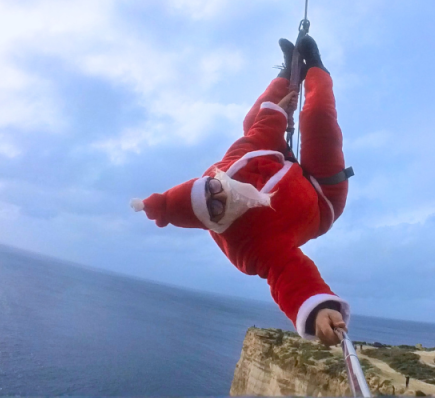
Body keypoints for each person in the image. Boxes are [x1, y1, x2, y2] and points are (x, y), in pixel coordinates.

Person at [130, 36, 351, 346]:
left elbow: (259, 133)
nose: (220, 196)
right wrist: (316, 309)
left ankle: (287, 72)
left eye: (212, 189)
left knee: (253, 119)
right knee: (316, 118)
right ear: (214, 222)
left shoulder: (228, 167)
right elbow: (286, 274)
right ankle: (316, 68)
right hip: (320, 196)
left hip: (279, 165)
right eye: (215, 208)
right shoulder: (248, 243)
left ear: (210, 180)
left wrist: (279, 110)